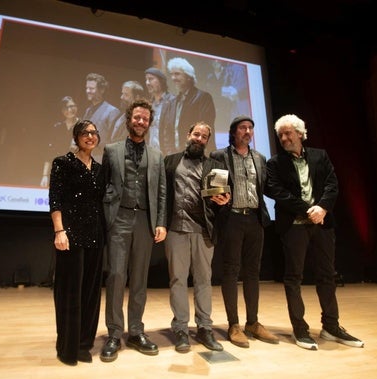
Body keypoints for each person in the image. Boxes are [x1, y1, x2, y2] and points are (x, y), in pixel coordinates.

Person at [266, 114, 364, 350]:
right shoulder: (275, 163)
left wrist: (322, 208)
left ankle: (331, 326)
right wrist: (308, 209)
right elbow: (276, 191)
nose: (284, 138)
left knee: (327, 276)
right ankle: (300, 329)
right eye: (281, 134)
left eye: (288, 133)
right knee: (293, 277)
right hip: (294, 227)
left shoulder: (320, 155)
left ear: (300, 133)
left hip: (321, 223)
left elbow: (332, 184)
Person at [100, 99, 167, 362]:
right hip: (119, 219)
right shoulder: (111, 150)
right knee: (116, 276)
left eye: (145, 119)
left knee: (139, 279)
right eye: (137, 118)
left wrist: (160, 221)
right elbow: (104, 184)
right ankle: (114, 333)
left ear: (149, 123)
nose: (141, 122)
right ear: (129, 120)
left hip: (145, 222)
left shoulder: (157, 156)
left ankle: (136, 331)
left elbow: (162, 192)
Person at [209, 115, 279, 348]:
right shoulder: (220, 155)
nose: (247, 131)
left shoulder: (259, 158)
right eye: (242, 128)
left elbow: (266, 187)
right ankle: (234, 324)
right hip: (232, 219)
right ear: (233, 132)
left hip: (255, 219)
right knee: (230, 271)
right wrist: (218, 197)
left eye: (250, 128)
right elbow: (214, 190)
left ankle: (253, 322)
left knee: (253, 272)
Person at [164, 121, 229, 353]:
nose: (199, 139)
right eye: (196, 134)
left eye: (204, 136)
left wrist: (223, 201)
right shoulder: (170, 161)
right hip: (175, 229)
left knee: (203, 281)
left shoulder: (215, 165)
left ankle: (204, 328)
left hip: (203, 231)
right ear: (188, 135)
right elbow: (162, 195)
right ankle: (181, 329)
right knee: (178, 281)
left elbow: (219, 202)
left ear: (207, 141)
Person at [49, 120, 106, 365]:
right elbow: (55, 199)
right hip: (70, 236)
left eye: (94, 133)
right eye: (85, 133)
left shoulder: (100, 169)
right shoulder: (63, 163)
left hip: (95, 236)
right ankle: (67, 346)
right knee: (70, 293)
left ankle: (84, 344)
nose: (90, 137)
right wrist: (59, 231)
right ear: (76, 137)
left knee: (91, 293)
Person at [164, 57, 216, 155]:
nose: (173, 78)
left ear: (189, 76)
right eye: (172, 74)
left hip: (198, 156)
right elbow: (168, 132)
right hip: (177, 157)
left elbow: (205, 130)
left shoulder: (203, 97)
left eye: (177, 74)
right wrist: (170, 154)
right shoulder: (173, 101)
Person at [40, 96, 80, 188]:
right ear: (62, 111)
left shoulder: (82, 125)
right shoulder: (57, 128)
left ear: (76, 107)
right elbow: (50, 153)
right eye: (66, 107)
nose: (69, 110)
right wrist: (45, 175)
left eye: (72, 106)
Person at [82, 73, 122, 162]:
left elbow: (114, 141)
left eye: (91, 88)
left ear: (102, 90)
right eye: (87, 88)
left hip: (102, 161)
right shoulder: (88, 111)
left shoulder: (112, 111)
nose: (88, 91)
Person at [205, 60, 251, 134]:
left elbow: (241, 87)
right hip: (228, 104)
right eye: (213, 61)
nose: (216, 63)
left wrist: (236, 92)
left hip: (239, 102)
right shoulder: (212, 75)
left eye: (218, 61)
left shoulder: (236, 68)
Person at [144, 67, 175, 152]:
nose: (147, 83)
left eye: (150, 79)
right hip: (151, 154)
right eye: (146, 80)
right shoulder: (149, 104)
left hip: (166, 154)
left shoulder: (173, 102)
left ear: (161, 81)